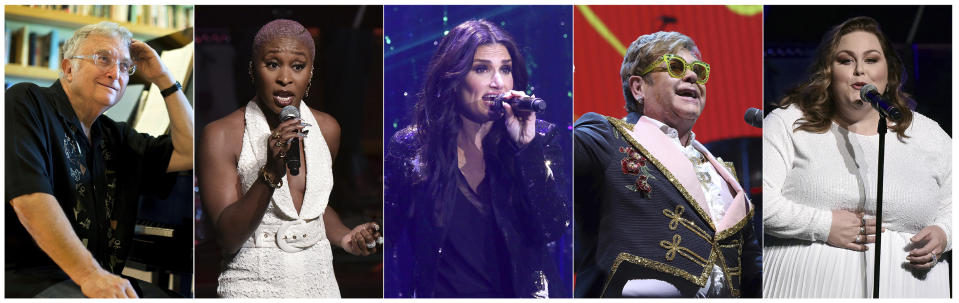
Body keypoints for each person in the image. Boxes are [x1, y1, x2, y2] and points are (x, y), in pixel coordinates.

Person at [763, 16, 950, 298]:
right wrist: (823, 225)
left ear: (889, 70)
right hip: (806, 287)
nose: (860, 70)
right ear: (828, 71)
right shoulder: (789, 123)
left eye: (872, 60)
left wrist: (945, 233)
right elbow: (759, 203)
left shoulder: (928, 134)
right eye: (846, 60)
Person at [5, 21, 193, 298]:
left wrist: (163, 78)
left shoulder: (115, 136)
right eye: (103, 59)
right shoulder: (26, 101)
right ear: (69, 68)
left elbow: (189, 152)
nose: (114, 73)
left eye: (125, 67)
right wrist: (90, 274)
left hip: (98, 278)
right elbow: (30, 199)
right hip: (33, 280)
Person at [384, 19, 570, 298]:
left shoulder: (539, 139)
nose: (498, 82)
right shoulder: (412, 146)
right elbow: (387, 234)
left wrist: (526, 148)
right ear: (452, 78)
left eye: (505, 69)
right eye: (482, 69)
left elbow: (552, 226)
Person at [197, 19, 380, 298]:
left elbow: (313, 207)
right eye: (272, 64)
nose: (285, 78)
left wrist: (346, 236)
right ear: (252, 70)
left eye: (297, 66)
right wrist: (270, 173)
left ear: (310, 73)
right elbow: (229, 237)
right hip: (252, 283)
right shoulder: (221, 135)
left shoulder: (328, 129)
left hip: (319, 282)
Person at [573, 31, 761, 298]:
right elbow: (556, 162)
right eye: (676, 67)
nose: (693, 76)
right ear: (638, 88)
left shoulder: (723, 173)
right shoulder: (606, 138)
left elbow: (751, 268)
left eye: (698, 70)